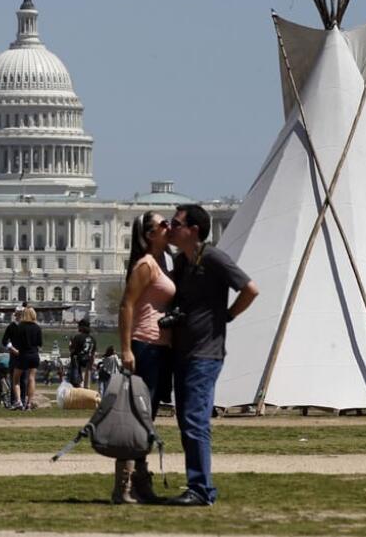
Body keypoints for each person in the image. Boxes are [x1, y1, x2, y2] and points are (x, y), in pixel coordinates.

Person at [164, 204, 259, 507]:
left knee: (195, 420)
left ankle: (202, 489)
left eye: (176, 223)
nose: (170, 227)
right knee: (186, 419)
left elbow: (250, 289)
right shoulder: (182, 263)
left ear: (193, 230)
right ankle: (197, 485)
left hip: (205, 352)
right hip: (183, 350)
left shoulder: (214, 258)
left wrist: (227, 316)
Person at [112, 210, 176, 504]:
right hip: (145, 345)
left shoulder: (166, 261)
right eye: (164, 224)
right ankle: (124, 486)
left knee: (147, 418)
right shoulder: (146, 264)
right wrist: (125, 349)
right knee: (138, 418)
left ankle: (140, 480)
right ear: (150, 235)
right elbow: (126, 306)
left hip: (160, 346)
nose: (170, 226)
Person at [8, 307, 43, 410]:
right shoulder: (37, 327)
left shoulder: (20, 327)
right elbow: (39, 343)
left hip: (23, 355)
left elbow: (17, 342)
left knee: (16, 380)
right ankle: (29, 403)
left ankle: (18, 401)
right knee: (31, 378)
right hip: (34, 355)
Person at [68, 319, 97, 388]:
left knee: (79, 382)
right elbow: (93, 353)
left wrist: (70, 344)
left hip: (78, 362)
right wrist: (92, 363)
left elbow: (72, 350)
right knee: (87, 383)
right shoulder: (92, 339)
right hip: (88, 361)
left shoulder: (78, 337)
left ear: (82, 327)